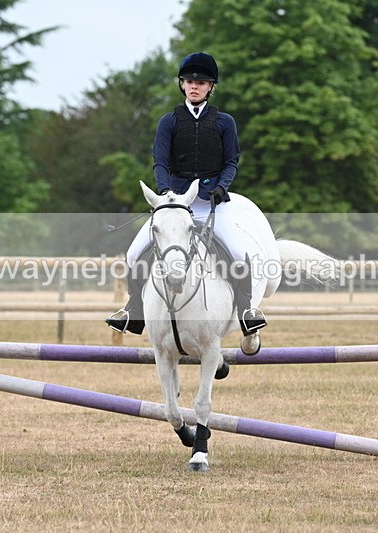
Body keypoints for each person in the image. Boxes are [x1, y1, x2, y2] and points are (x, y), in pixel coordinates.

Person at [106, 52, 267, 337]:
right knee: (133, 254)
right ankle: (135, 309)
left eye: (202, 82)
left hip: (210, 202)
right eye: (190, 81)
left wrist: (222, 186)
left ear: (211, 87)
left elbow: (231, 160)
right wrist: (167, 193)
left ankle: (246, 311)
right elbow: (160, 162)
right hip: (175, 205)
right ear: (182, 84)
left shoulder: (224, 122)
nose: (195, 86)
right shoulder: (169, 121)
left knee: (239, 253)